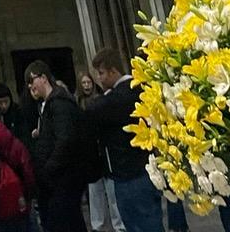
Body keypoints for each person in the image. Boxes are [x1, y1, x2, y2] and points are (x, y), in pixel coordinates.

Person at [86, 48, 163, 232]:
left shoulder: (121, 95)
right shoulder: (136, 89)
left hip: (129, 173)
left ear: (114, 71)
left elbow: (93, 111)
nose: (99, 79)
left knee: (140, 224)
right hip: (142, 169)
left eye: (102, 73)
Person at [25, 60, 88, 232]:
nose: (30, 86)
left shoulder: (59, 103)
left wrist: (48, 170)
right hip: (56, 180)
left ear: (43, 78)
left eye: (31, 80)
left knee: (66, 223)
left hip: (62, 179)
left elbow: (65, 140)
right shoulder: (48, 105)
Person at [77, 71, 125, 232]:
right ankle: (97, 224)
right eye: (83, 83)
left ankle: (118, 224)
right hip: (90, 153)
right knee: (95, 192)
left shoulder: (101, 99)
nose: (86, 86)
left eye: (88, 82)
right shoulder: (78, 103)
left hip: (104, 150)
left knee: (112, 192)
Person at [0, 100, 35, 232]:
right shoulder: (14, 142)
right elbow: (27, 169)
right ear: (1, 117)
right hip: (18, 199)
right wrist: (29, 194)